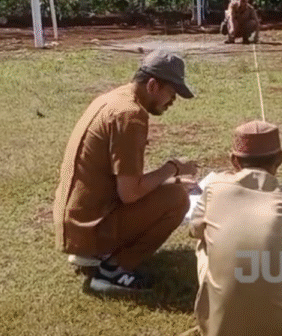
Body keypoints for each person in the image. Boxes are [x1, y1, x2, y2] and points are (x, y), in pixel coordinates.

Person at [53, 49, 198, 293]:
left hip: (75, 220)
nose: (172, 101)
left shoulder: (113, 98)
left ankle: (93, 252)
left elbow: (123, 182)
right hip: (87, 227)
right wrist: (172, 168)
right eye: (171, 94)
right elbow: (130, 193)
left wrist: (169, 178)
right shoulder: (130, 116)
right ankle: (113, 270)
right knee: (177, 199)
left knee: (172, 189)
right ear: (153, 85)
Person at [190, 120, 282, 336]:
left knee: (204, 241)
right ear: (280, 158)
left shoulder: (214, 189)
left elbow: (194, 230)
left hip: (218, 328)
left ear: (233, 160)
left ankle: (223, 311)